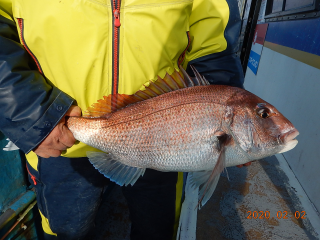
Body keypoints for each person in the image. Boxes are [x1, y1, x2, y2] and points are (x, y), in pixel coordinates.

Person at [0, 0, 249, 239]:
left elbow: (215, 48)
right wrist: (33, 112)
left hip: (167, 147)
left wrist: (225, 124)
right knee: (67, 232)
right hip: (59, 141)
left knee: (157, 231)